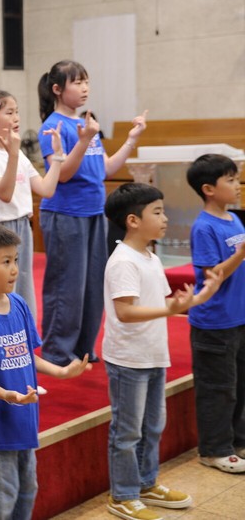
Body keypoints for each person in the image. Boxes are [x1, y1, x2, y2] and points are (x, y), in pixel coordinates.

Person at [0, 223, 92, 519]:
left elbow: (26, 355)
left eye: (15, 259)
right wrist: (6, 394)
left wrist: (61, 372)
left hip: (22, 420)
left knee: (27, 490)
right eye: (5, 261)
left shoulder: (18, 305)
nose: (15, 269)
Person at [102, 183, 221, 518]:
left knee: (153, 426)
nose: (165, 218)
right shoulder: (123, 261)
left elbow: (162, 304)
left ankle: (145, 483)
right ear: (133, 220)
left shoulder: (150, 257)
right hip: (128, 359)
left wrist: (201, 296)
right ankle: (122, 495)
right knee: (127, 431)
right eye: (157, 212)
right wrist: (171, 309)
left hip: (153, 354)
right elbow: (125, 312)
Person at [36, 60, 147, 366]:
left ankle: (83, 348)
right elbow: (62, 175)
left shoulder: (86, 123)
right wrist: (84, 140)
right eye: (77, 82)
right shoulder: (53, 126)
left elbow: (106, 168)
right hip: (65, 214)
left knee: (93, 285)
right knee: (67, 286)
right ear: (57, 89)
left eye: (86, 81)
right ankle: (58, 352)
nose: (85, 88)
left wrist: (132, 139)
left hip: (94, 212)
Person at [0, 89, 64, 323]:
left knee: (23, 288)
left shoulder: (16, 152)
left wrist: (58, 157)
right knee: (1, 291)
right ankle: (0, 336)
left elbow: (46, 189)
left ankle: (24, 336)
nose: (16, 118)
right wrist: (12, 155)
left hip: (21, 226)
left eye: (17, 112)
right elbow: (5, 194)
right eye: (9, 113)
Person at [186, 154, 245, 474]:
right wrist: (241, 254)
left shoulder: (234, 219)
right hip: (215, 322)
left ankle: (237, 440)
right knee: (217, 389)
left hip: (239, 317)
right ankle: (214, 450)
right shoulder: (204, 227)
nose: (238, 185)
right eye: (231, 180)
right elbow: (212, 275)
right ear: (209, 189)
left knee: (240, 385)